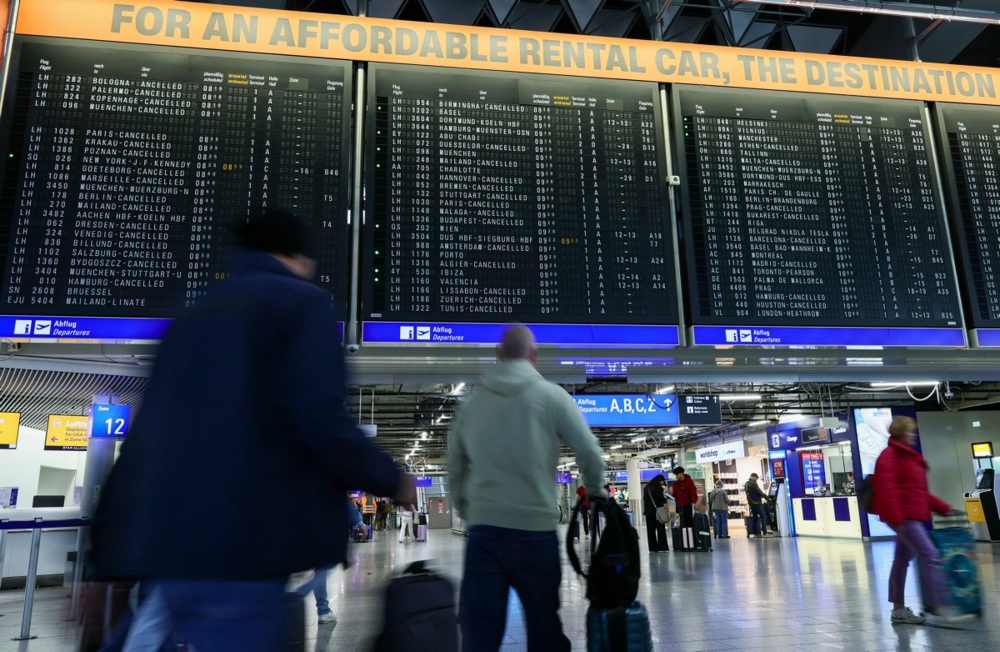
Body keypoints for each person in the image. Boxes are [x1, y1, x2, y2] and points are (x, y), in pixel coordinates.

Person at [91, 208, 416, 650]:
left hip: (165, 552)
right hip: (244, 546)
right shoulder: (302, 304)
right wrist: (391, 478)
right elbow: (318, 416)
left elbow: (143, 444)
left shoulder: (188, 320)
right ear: (296, 255)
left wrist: (101, 565)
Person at [448, 325, 605, 652]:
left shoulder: (471, 407)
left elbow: (455, 469)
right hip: (535, 533)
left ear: (498, 355)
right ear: (533, 356)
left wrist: (469, 510)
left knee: (479, 631)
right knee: (543, 626)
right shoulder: (552, 396)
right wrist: (593, 489)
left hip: (484, 534)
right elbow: (589, 450)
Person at [874, 415, 974, 627]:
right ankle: (941, 608)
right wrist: (896, 519)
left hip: (911, 516)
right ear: (900, 434)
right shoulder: (889, 456)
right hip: (905, 518)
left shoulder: (909, 457)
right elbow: (887, 489)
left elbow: (918, 492)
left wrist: (943, 508)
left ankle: (898, 610)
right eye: (910, 432)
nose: (914, 435)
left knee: (900, 562)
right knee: (931, 556)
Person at [670, 467, 698, 551]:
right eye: (676, 475)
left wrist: (693, 501)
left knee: (688, 524)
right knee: (678, 525)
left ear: (681, 473)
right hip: (678, 507)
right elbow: (675, 495)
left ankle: (690, 543)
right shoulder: (675, 484)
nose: (677, 476)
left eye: (677, 474)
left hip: (687, 506)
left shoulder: (689, 482)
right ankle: (681, 544)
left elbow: (693, 492)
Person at [642, 474, 669, 553]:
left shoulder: (646, 488)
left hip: (648, 513)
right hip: (657, 512)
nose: (662, 483)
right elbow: (660, 498)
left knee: (650, 531)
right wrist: (665, 500)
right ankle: (662, 547)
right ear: (660, 480)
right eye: (662, 482)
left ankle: (652, 548)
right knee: (660, 529)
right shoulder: (658, 487)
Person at [745, 473, 770, 538]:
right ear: (754, 477)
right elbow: (759, 492)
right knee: (763, 517)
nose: (756, 479)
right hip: (757, 502)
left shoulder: (747, 483)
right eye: (756, 478)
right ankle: (765, 533)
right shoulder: (753, 483)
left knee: (755, 518)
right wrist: (768, 498)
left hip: (751, 503)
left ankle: (756, 533)